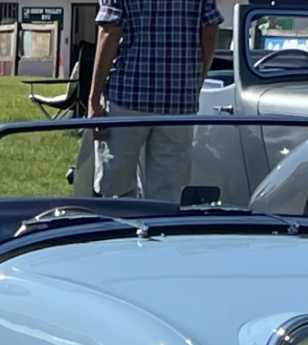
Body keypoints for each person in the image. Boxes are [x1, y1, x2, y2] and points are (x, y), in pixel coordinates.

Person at [86, 0, 223, 201]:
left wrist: (94, 98)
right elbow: (210, 30)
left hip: (127, 96)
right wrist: (196, 80)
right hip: (179, 100)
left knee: (117, 189)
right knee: (168, 193)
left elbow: (110, 32)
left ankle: (123, 228)